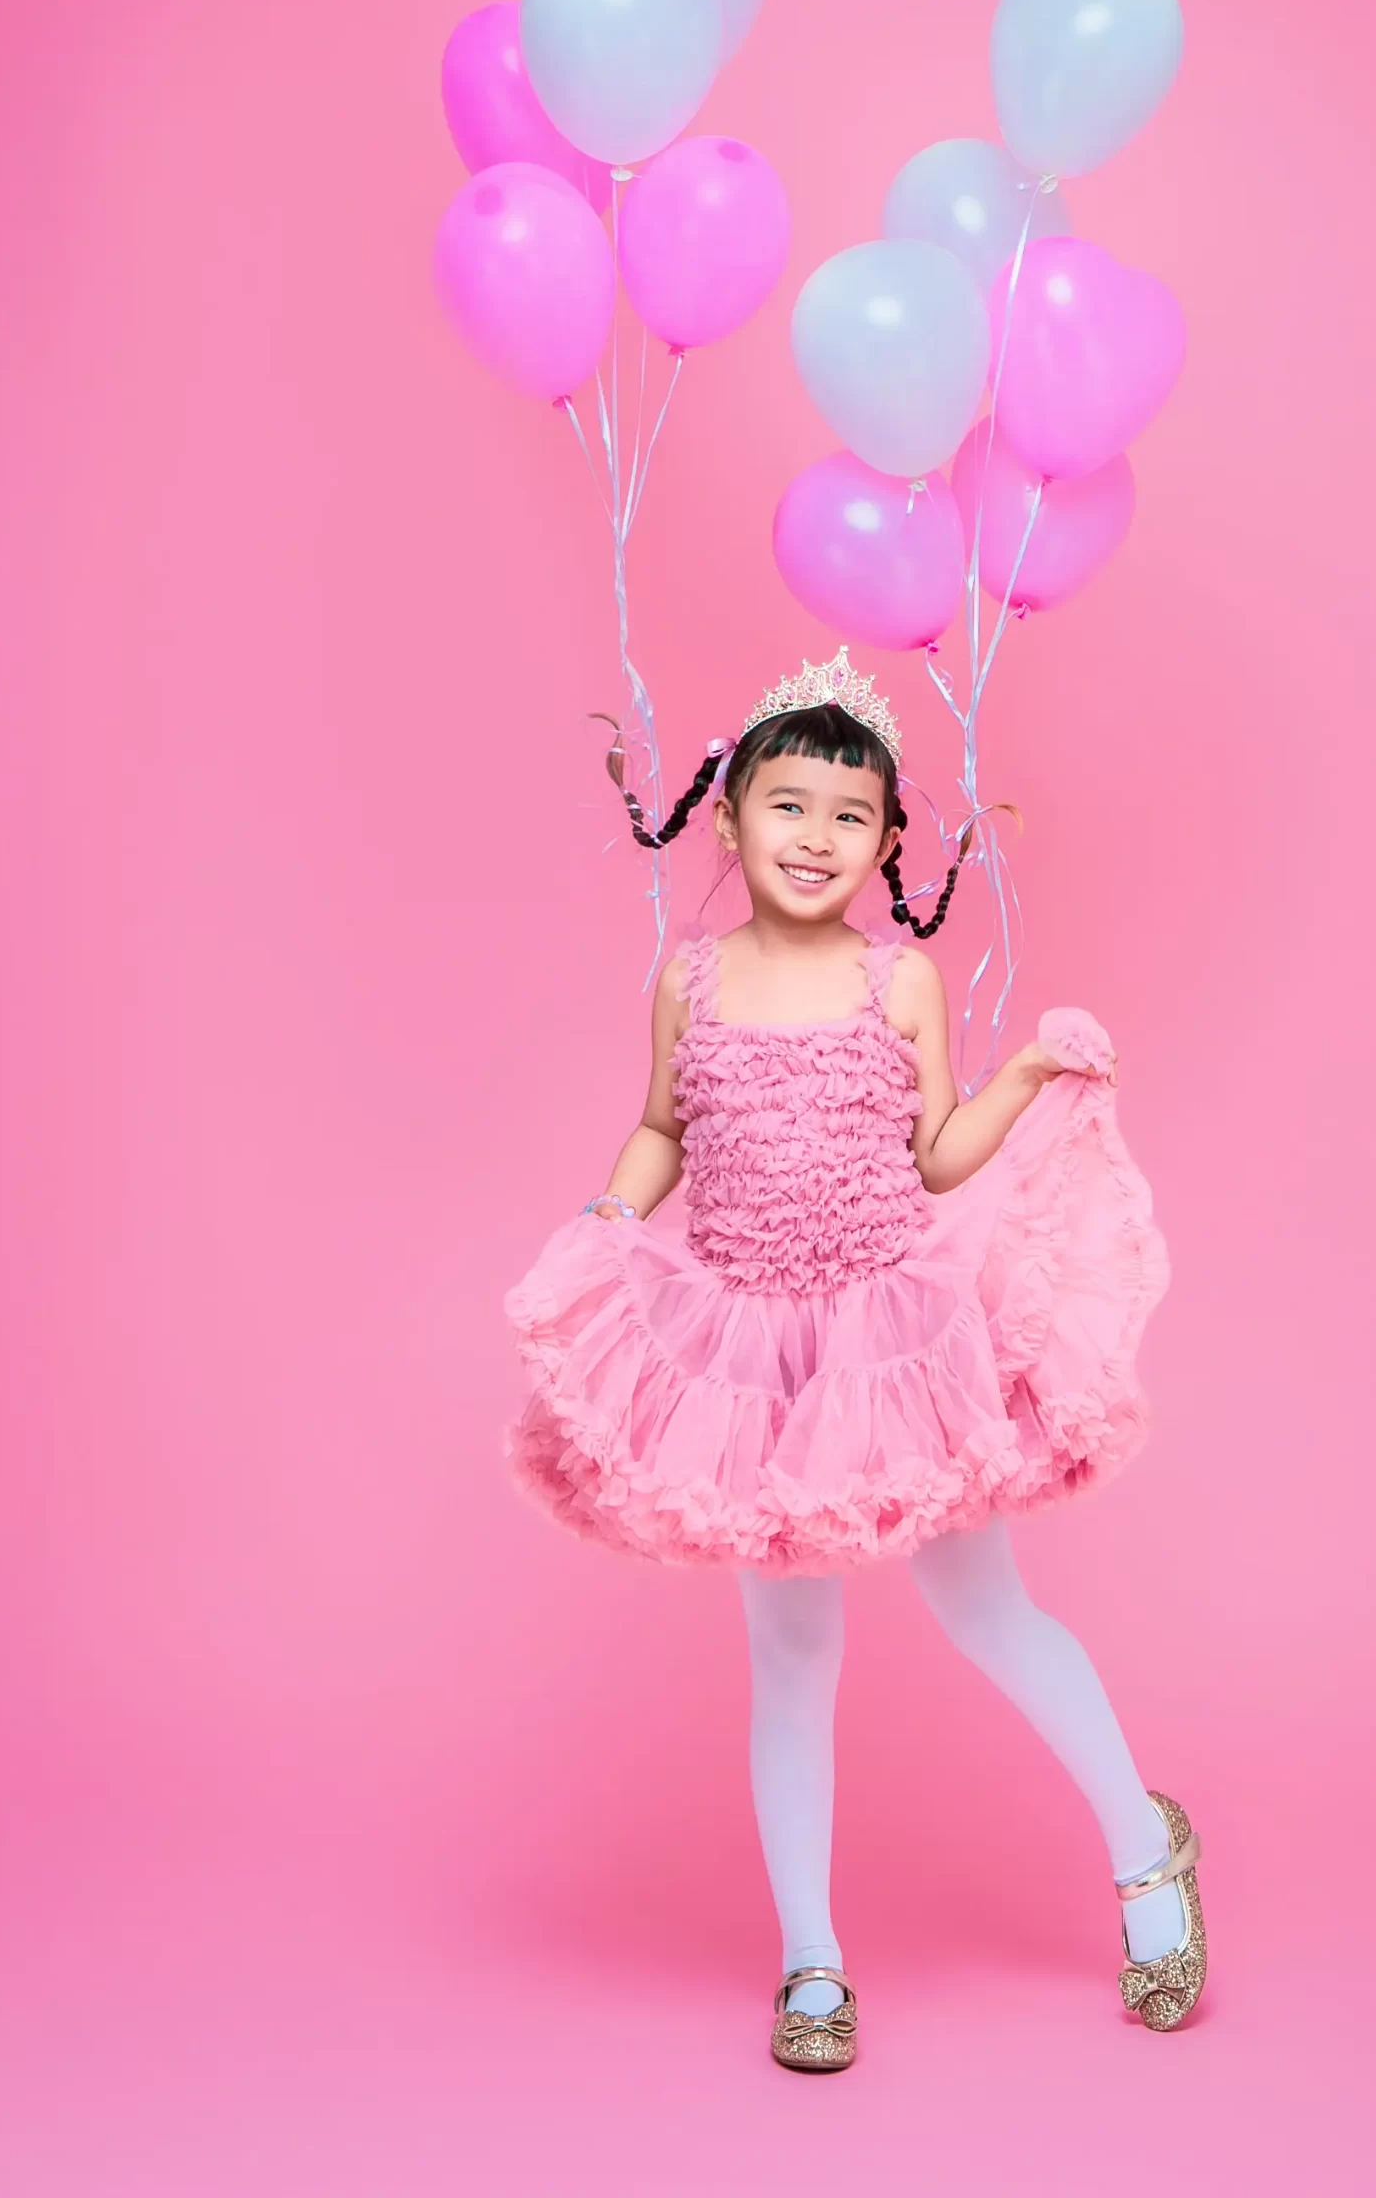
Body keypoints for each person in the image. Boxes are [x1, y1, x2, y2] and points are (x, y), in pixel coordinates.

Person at [503, 646, 1202, 2069]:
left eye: (849, 814)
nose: (815, 835)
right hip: (752, 1360)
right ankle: (811, 1959)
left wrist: (1022, 1074)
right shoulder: (691, 980)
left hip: (895, 1344)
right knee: (791, 1654)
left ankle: (1147, 1849)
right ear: (729, 817)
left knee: (987, 1615)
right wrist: (610, 1219)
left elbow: (935, 1156)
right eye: (788, 805)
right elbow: (662, 1128)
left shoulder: (903, 981)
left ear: (887, 843)